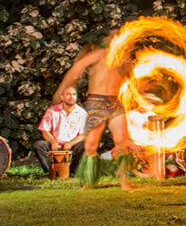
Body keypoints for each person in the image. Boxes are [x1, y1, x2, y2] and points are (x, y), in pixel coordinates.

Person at [54, 35, 137, 191]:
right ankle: (89, 181)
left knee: (121, 141)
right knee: (91, 146)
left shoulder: (124, 61)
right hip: (96, 102)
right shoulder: (100, 54)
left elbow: (134, 83)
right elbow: (77, 68)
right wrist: (62, 88)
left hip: (114, 103)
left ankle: (124, 182)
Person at [33, 86, 87, 175]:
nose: (71, 97)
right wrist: (53, 141)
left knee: (85, 145)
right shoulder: (52, 111)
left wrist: (70, 143)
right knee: (38, 145)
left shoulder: (82, 113)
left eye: (74, 94)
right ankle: (51, 171)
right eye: (68, 94)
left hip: (72, 145)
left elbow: (82, 135)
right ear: (62, 97)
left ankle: (71, 171)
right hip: (55, 145)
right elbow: (45, 131)